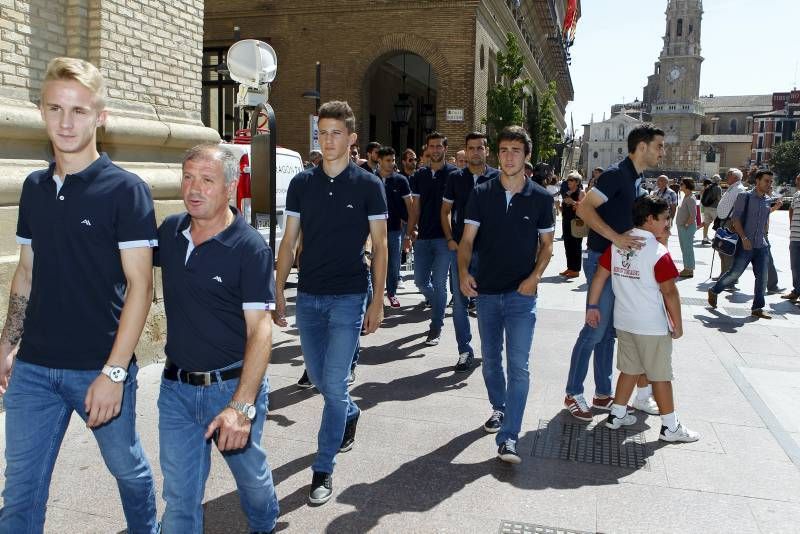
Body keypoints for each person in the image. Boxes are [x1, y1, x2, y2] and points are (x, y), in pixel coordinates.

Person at [0, 57, 158, 532]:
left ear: (100, 116)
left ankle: (145, 528)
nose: (66, 123)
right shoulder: (32, 188)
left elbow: (141, 287)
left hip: (99, 367)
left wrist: (114, 371)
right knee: (20, 491)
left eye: (79, 111)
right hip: (33, 372)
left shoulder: (127, 191)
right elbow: (26, 271)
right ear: (42, 113)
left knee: (126, 468)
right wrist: (8, 342)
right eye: (55, 109)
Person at [156, 144, 279, 533]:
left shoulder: (249, 248)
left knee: (252, 483)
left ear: (229, 187)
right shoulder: (170, 232)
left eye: (206, 180)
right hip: (175, 390)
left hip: (230, 388)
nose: (194, 188)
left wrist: (241, 408)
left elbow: (260, 329)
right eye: (188, 177)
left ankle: (264, 525)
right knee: (179, 499)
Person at [273, 101, 388, 504]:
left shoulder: (369, 185)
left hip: (349, 296)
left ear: (352, 138)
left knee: (335, 382)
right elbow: (288, 241)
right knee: (323, 382)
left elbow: (381, 244)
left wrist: (378, 303)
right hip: (309, 296)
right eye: (322, 133)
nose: (328, 140)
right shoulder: (302, 184)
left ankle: (322, 468)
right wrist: (278, 288)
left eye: (336, 132)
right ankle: (350, 413)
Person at [458, 126, 554, 464]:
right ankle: (500, 407)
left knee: (519, 366)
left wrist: (534, 277)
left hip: (521, 295)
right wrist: (463, 271)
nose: (509, 156)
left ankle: (509, 436)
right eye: (503, 150)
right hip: (486, 292)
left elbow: (547, 246)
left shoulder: (541, 198)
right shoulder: (481, 193)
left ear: (527, 157)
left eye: (516, 150)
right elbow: (467, 240)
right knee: (491, 364)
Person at [563, 123, 666, 422]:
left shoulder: (635, 179)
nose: (662, 151)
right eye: (659, 146)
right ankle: (573, 392)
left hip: (616, 264)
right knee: (594, 330)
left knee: (608, 333)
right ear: (642, 146)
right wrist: (616, 238)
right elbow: (584, 209)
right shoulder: (615, 175)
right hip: (600, 262)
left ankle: (603, 393)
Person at [586, 196, 699, 443]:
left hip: (624, 321)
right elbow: (669, 291)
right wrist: (678, 324)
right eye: (664, 218)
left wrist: (592, 306)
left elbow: (599, 277)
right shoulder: (658, 252)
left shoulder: (618, 244)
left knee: (629, 369)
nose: (668, 223)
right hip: (652, 325)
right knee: (660, 375)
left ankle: (617, 414)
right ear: (650, 219)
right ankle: (670, 426)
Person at [441, 132, 500, 371]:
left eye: (480, 148)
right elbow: (445, 209)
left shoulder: (498, 177)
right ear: (465, 150)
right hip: (461, 250)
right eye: (471, 148)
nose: (476, 152)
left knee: (489, 303)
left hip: (489, 253)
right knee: (459, 304)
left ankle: (489, 349)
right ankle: (464, 350)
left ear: (487, 150)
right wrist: (449, 238)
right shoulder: (456, 178)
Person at [407, 132, 456, 345]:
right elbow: (415, 207)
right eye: (432, 146)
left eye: (439, 146)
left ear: (445, 149)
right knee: (419, 280)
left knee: (439, 284)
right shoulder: (420, 176)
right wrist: (410, 231)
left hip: (445, 239)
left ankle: (436, 326)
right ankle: (438, 303)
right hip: (423, 237)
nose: (435, 150)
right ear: (427, 149)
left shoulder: (455, 174)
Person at [708, 170, 776, 319]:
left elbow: (764, 219)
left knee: (762, 277)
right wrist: (744, 239)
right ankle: (714, 290)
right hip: (745, 244)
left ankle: (757, 307)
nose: (769, 184)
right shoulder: (744, 196)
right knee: (734, 274)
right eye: (766, 181)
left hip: (762, 245)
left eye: (771, 181)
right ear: (757, 181)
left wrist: (766, 236)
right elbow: (735, 220)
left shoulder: (767, 200)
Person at [377, 146, 413, 308]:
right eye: (388, 160)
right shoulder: (371, 179)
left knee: (393, 264)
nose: (391, 164)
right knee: (373, 263)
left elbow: (411, 207)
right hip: (373, 230)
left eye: (393, 160)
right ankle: (374, 297)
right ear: (379, 160)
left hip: (394, 230)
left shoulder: (401, 181)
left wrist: (410, 232)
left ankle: (391, 294)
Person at [714, 168, 747, 282]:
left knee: (728, 250)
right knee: (721, 249)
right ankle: (724, 274)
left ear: (735, 177)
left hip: (731, 223)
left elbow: (741, 209)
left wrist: (735, 223)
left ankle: (730, 279)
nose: (726, 177)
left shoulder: (739, 189)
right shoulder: (733, 188)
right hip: (724, 221)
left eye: (729, 175)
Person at [560, 172, 585, 278]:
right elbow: (564, 207)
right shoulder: (567, 192)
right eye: (568, 180)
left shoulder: (581, 193)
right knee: (567, 245)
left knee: (576, 245)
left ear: (577, 182)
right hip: (566, 221)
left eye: (571, 180)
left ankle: (576, 270)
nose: (568, 182)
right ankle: (570, 267)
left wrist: (573, 202)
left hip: (576, 222)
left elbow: (585, 207)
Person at [781, 172, 800, 303]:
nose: (796, 182)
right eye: (797, 180)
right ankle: (797, 290)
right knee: (795, 266)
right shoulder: (796, 195)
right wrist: (791, 225)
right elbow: (791, 209)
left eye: (798, 180)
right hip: (795, 237)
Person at [676, 178, 697, 278]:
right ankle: (687, 267)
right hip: (683, 227)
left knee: (687, 248)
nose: (680, 185)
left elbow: (693, 215)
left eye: (682, 184)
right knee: (684, 248)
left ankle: (689, 269)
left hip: (687, 228)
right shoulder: (686, 196)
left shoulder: (690, 198)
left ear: (686, 185)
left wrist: (686, 225)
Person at [700, 175, 722, 244]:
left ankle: (704, 239)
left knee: (706, 224)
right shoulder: (718, 188)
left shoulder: (708, 186)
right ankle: (716, 238)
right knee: (718, 224)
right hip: (714, 208)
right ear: (718, 180)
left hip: (706, 207)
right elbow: (719, 198)